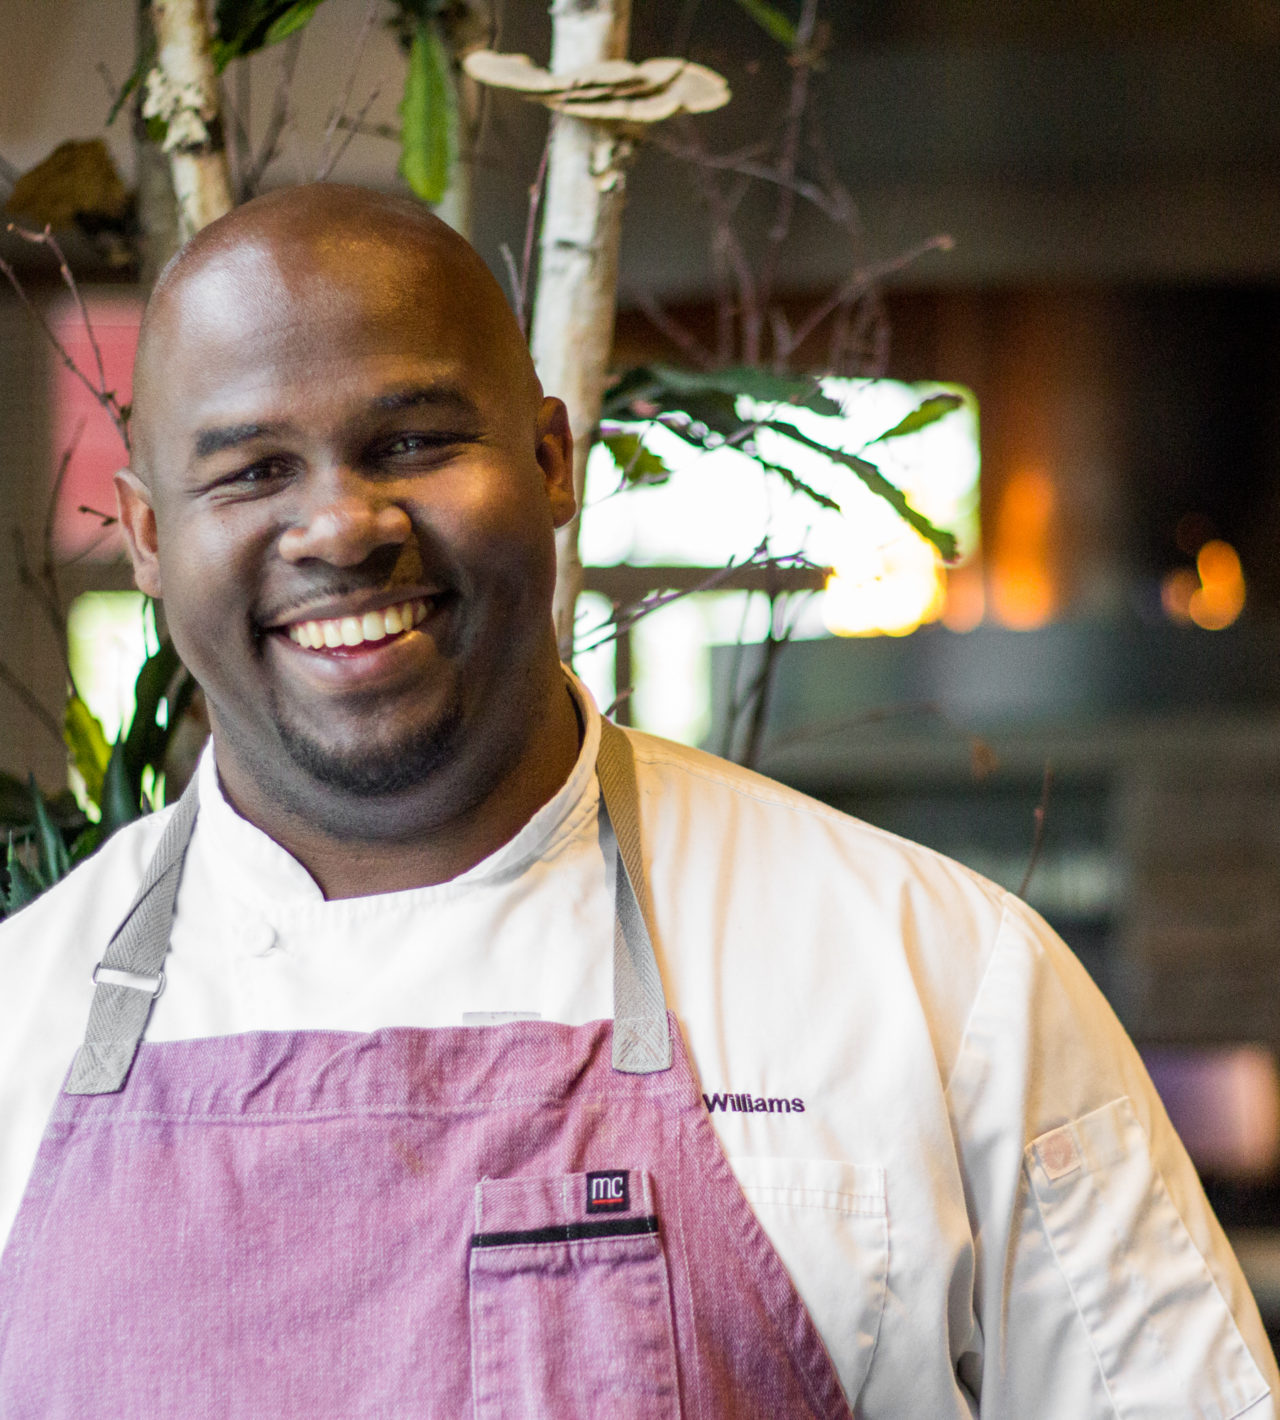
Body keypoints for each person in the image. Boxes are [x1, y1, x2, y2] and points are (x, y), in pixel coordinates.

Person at [0, 183, 1274, 1418]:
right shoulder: (20, 1026)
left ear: (552, 461)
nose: (340, 524)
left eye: (413, 441)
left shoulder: (940, 984)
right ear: (149, 541)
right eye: (251, 470)